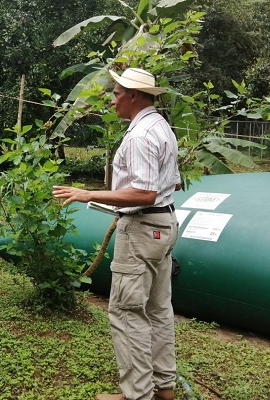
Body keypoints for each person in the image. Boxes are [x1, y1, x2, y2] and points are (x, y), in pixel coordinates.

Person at [53, 67, 181, 400]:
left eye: (116, 94)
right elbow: (172, 183)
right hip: (165, 224)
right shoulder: (161, 126)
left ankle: (137, 394)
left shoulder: (140, 135)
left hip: (143, 228)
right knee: (158, 308)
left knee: (127, 311)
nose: (112, 101)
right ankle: (164, 387)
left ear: (133, 96)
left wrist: (88, 194)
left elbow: (144, 194)